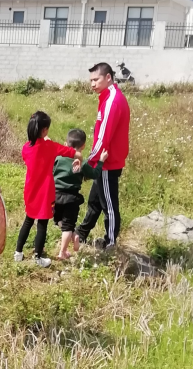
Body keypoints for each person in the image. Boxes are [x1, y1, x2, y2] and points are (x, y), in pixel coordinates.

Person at [74, 62, 130, 251]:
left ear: (108, 78)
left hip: (107, 163)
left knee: (109, 205)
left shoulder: (112, 101)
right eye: (90, 80)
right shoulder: (107, 97)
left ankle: (111, 242)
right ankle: (81, 233)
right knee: (95, 201)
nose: (92, 84)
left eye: (96, 79)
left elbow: (103, 136)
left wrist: (88, 163)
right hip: (104, 161)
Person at [15, 112, 82, 268]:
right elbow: (74, 152)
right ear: (44, 130)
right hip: (46, 193)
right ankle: (38, 257)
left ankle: (18, 252)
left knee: (28, 220)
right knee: (42, 224)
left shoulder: (26, 148)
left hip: (30, 190)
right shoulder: (51, 147)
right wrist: (79, 159)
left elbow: (30, 157)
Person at [53, 129, 108, 260]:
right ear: (83, 146)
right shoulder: (82, 163)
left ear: (65, 144)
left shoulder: (58, 158)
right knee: (67, 226)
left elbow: (50, 171)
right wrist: (101, 161)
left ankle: (66, 244)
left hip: (55, 196)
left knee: (57, 220)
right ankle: (64, 250)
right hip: (71, 198)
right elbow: (95, 174)